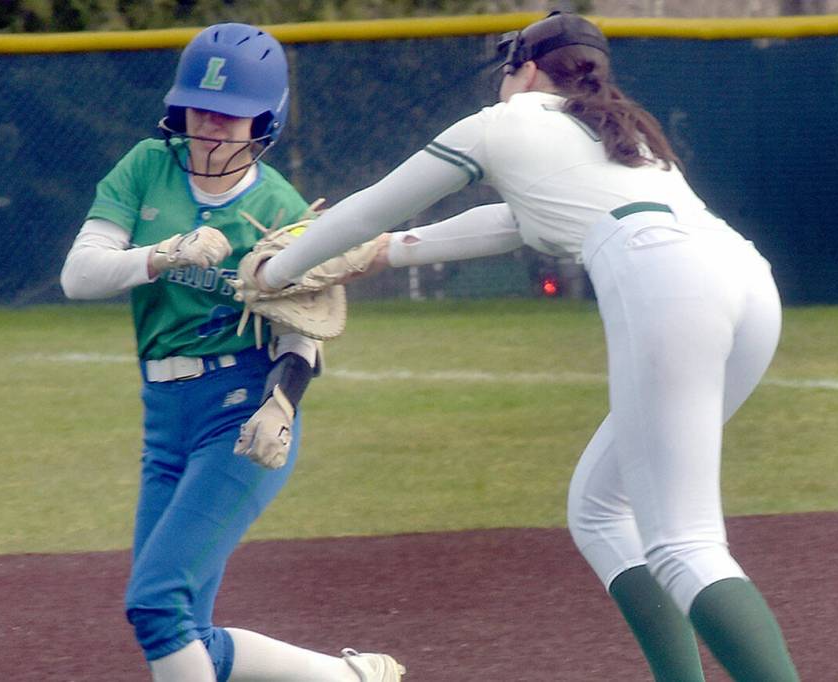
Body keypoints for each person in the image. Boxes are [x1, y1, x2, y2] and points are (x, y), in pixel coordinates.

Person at [251, 11, 800, 682]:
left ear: (527, 68)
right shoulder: (622, 132)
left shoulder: (500, 124)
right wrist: (387, 256)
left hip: (665, 278)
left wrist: (275, 271)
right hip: (746, 282)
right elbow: (511, 222)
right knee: (600, 509)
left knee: (685, 543)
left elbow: (372, 206)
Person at [59, 23, 404, 682]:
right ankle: (352, 679)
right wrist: (162, 255)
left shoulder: (280, 208)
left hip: (241, 417)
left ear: (264, 122)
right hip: (165, 419)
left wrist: (281, 404)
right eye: (200, 110)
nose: (212, 128)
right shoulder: (146, 167)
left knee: (156, 606)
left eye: (231, 117)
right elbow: (79, 275)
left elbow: (304, 329)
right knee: (179, 626)